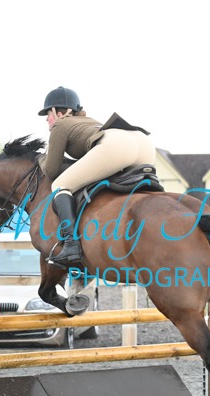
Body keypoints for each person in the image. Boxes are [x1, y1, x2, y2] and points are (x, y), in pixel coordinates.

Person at [38, 86, 157, 268]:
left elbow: (51, 171)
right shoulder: (89, 122)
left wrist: (40, 159)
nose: (47, 119)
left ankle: (71, 245)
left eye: (48, 114)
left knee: (60, 185)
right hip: (144, 143)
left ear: (59, 113)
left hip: (117, 145)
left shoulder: (60, 125)